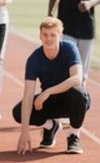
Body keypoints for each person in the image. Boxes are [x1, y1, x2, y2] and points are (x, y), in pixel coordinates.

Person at [13, 17, 89, 155]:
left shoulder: (69, 49)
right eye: (45, 35)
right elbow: (28, 96)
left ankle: (73, 136)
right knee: (18, 112)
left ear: (60, 35)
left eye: (53, 35)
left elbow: (77, 79)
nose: (48, 39)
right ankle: (51, 126)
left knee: (78, 92)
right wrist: (24, 132)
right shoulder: (34, 59)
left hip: (71, 100)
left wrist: (48, 91)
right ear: (40, 36)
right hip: (50, 102)